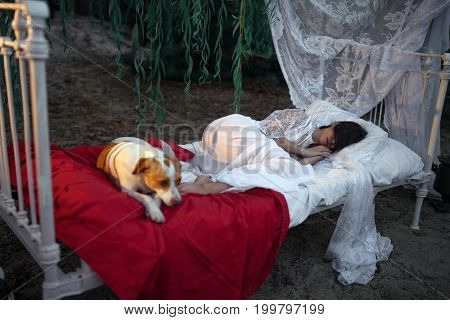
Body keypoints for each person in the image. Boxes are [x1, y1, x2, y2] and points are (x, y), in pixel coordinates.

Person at [179, 108, 367, 195]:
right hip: (236, 131)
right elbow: (273, 137)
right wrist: (304, 151)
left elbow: (293, 168)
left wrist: (317, 155)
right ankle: (209, 186)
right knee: (281, 161)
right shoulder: (301, 117)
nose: (332, 142)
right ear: (335, 124)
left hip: (235, 155)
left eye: (336, 144)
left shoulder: (313, 150)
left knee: (287, 167)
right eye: (336, 134)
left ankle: (207, 180)